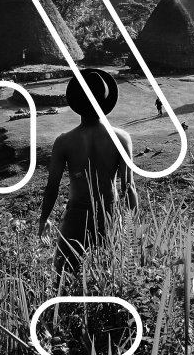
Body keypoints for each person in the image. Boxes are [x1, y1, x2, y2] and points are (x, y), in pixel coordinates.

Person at [38, 69, 137, 276]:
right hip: (108, 215)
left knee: (64, 275)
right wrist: (133, 226)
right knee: (109, 274)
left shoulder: (64, 141)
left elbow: (52, 187)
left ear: (77, 102)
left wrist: (44, 219)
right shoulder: (121, 138)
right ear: (105, 102)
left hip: (76, 217)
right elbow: (128, 187)